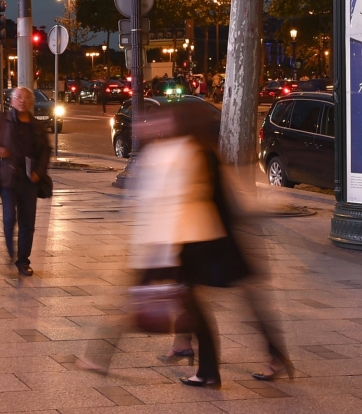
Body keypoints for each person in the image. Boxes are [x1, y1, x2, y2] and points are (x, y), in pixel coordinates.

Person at [123, 103, 290, 387]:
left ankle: (220, 363)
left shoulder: (191, 153)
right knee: (223, 300)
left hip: (212, 240)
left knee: (212, 302)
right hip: (212, 237)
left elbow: (194, 202)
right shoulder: (198, 149)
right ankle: (194, 349)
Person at [0, 86, 51, 276]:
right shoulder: (2, 120)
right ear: (12, 101)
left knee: (27, 222)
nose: (22, 100)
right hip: (7, 178)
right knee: (9, 218)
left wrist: (39, 172)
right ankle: (11, 250)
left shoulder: (36, 126)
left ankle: (23, 260)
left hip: (29, 179)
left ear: (31, 102)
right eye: (18, 97)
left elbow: (45, 151)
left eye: (27, 98)